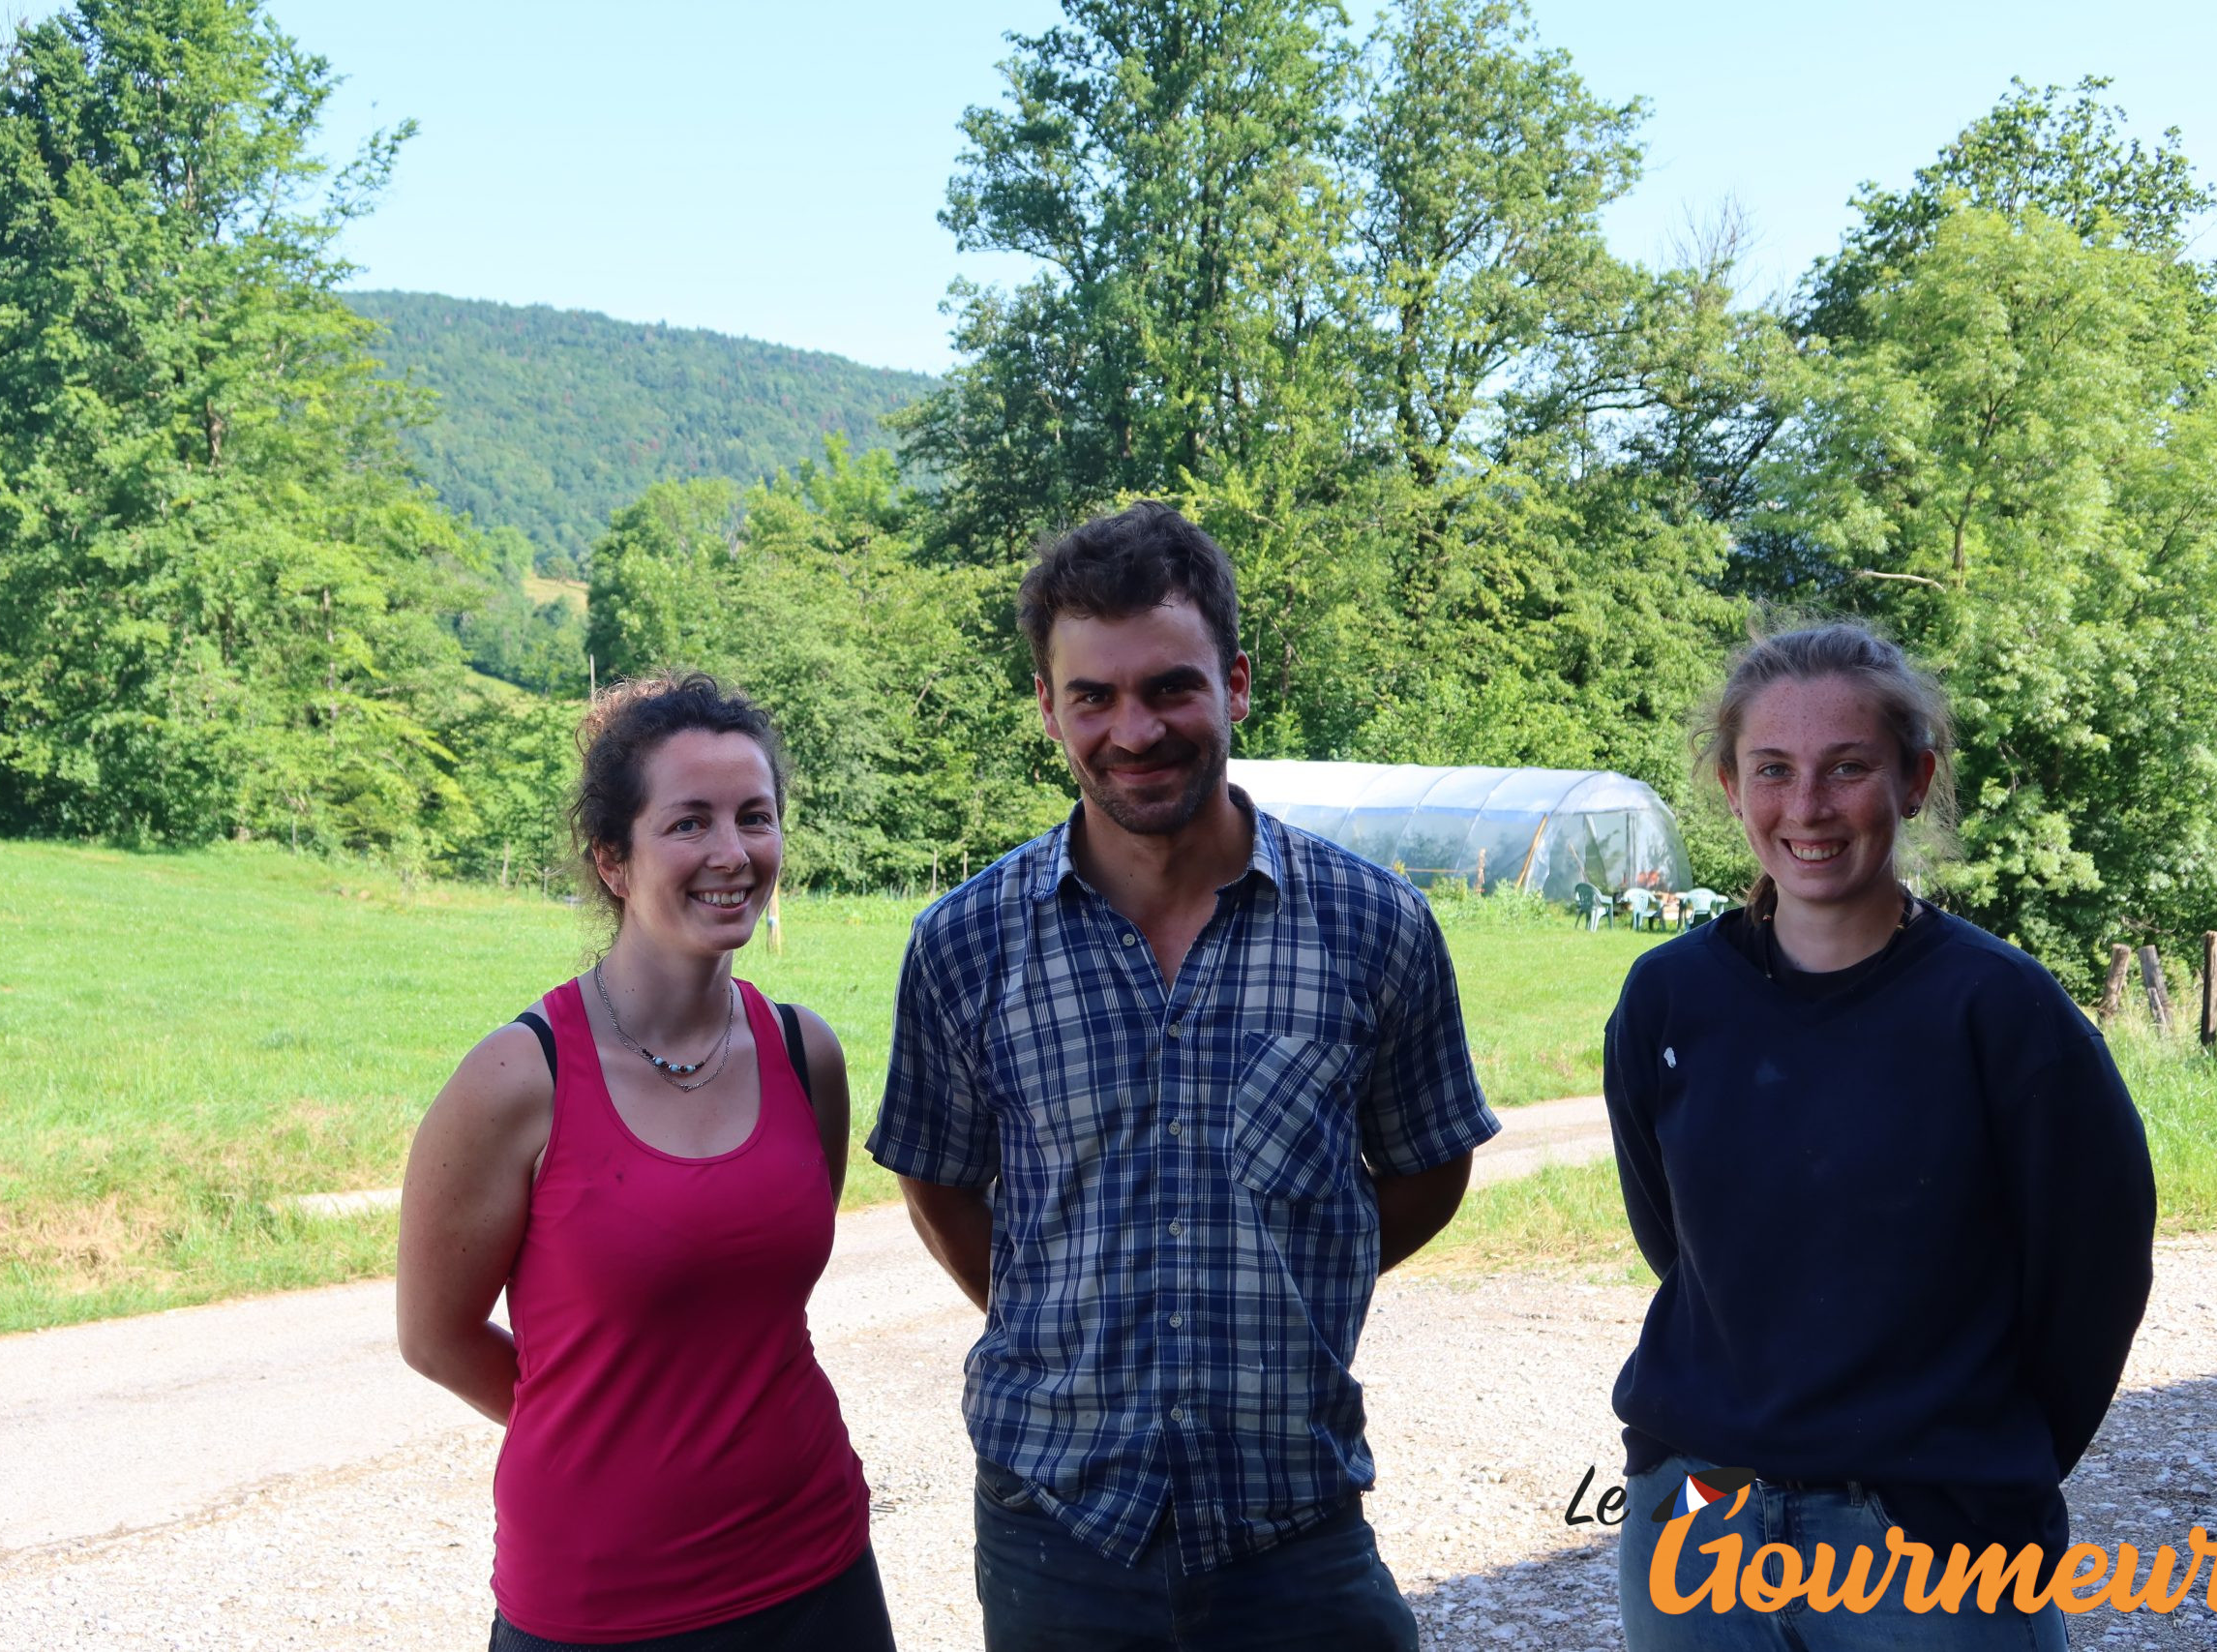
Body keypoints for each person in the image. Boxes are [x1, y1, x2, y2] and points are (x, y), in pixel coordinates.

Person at [868, 500, 1499, 1652]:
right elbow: (940, 1182)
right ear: (1049, 711)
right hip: (1059, 1524)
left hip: (1293, 1519)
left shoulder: (1373, 925)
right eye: (1092, 697)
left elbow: (1428, 1161)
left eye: (1170, 687)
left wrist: (1309, 1267)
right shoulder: (963, 942)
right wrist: (1053, 1310)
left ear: (1237, 685)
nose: (1134, 729)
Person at [1603, 623, 2155, 1651]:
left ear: (1913, 780)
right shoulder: (1667, 1001)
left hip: (1931, 1552)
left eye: (1846, 768)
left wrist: (1972, 1466)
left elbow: (2095, 1279)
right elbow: (1678, 1247)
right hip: (1699, 1530)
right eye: (1772, 770)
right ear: (1730, 786)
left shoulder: (2002, 1013)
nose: (1805, 807)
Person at [396, 674, 894, 1652]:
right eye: (688, 823)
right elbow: (435, 1336)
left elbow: (758, 1302)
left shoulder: (806, 1056)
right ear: (613, 861)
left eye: (755, 817)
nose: (730, 853)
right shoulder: (516, 1079)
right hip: (601, 1600)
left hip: (816, 1563)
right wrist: (608, 1445)